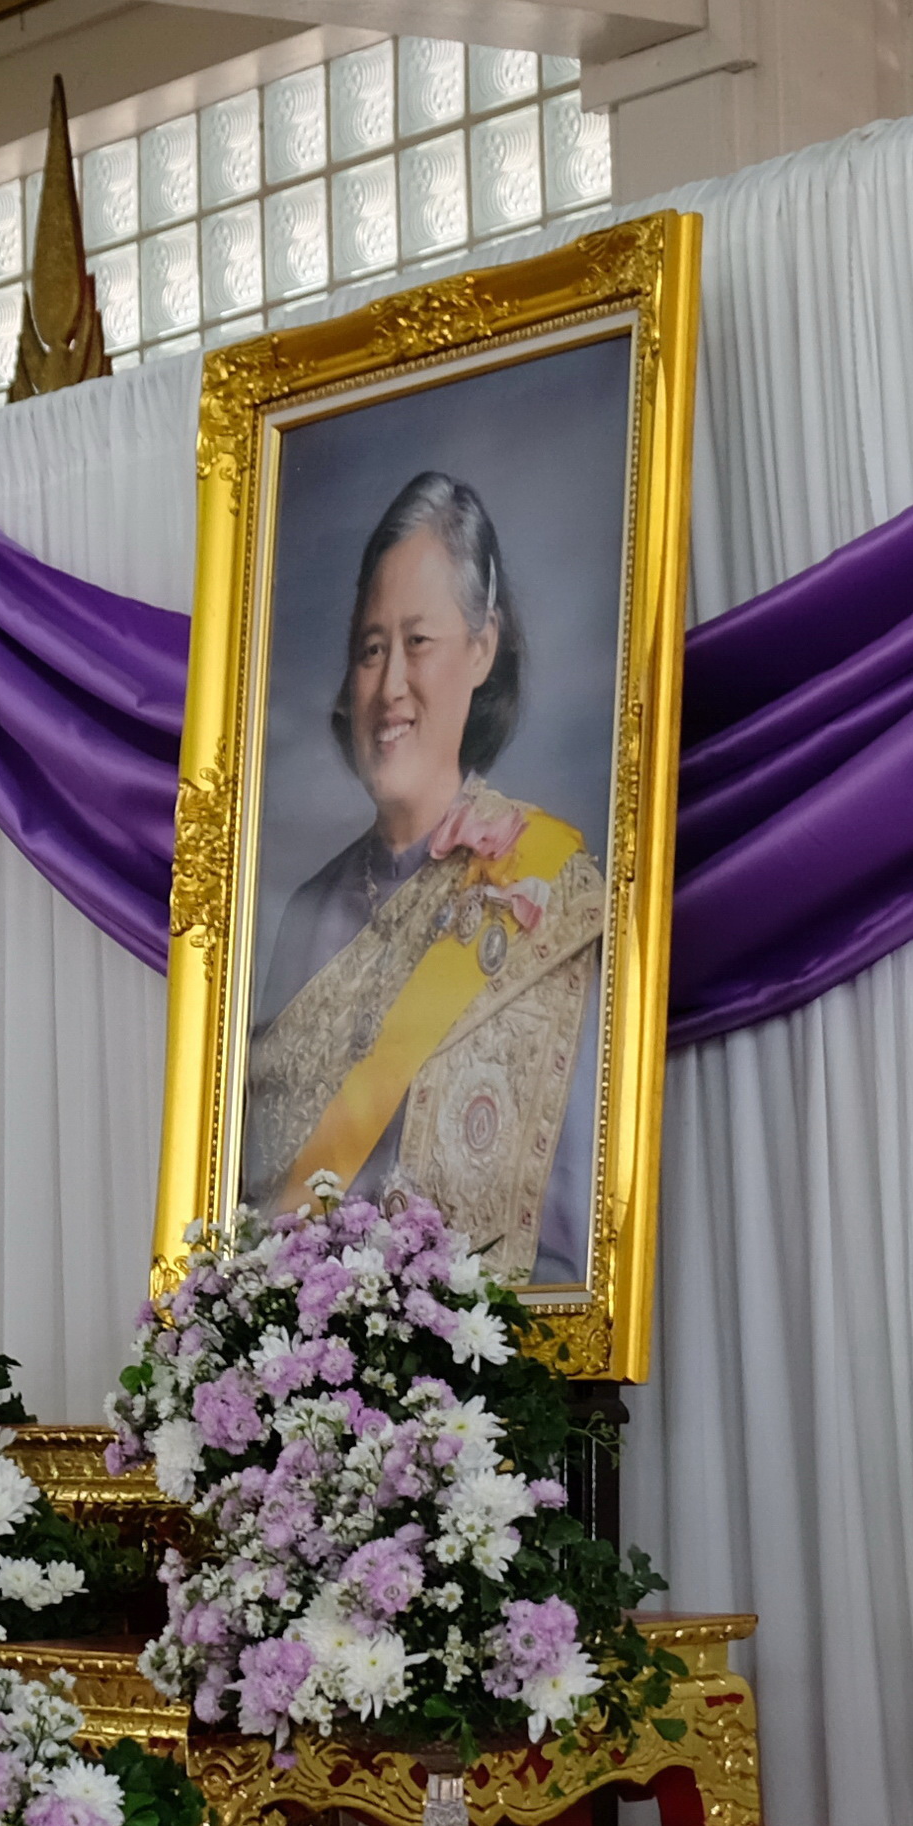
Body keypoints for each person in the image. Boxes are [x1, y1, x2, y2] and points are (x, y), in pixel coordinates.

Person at [237, 471, 606, 1276]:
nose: (390, 685)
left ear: (482, 648)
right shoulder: (305, 912)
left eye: (419, 642)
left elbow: (575, 1227)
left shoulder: (548, 892)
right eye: (371, 649)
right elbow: (253, 1201)